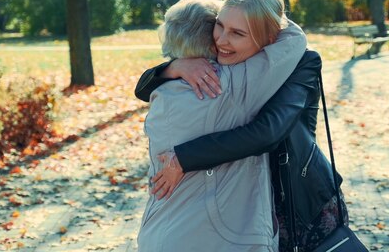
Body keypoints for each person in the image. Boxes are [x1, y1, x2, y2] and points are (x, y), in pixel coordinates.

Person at [136, 24, 348, 250]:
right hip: (255, 201)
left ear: (263, 35)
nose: (222, 40)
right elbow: (142, 90)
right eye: (220, 27)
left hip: (300, 196)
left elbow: (268, 132)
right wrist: (174, 67)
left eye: (238, 33)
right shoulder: (232, 69)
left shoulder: (301, 62)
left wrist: (183, 158)